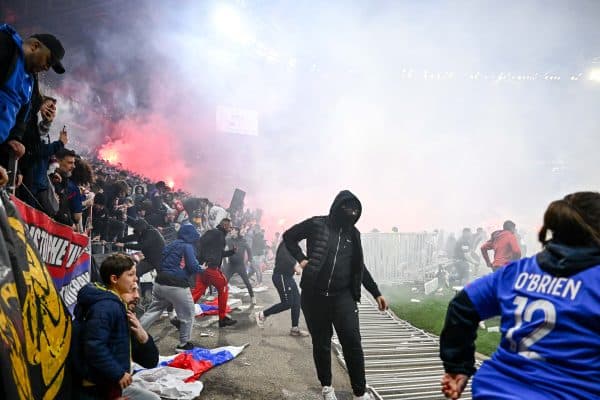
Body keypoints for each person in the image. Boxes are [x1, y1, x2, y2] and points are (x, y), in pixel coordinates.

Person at [439, 192, 600, 400]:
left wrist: (457, 366)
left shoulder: (516, 273)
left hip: (493, 391)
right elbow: (515, 251)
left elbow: (462, 306)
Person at [283, 190, 387, 400]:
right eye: (348, 208)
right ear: (338, 206)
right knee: (321, 342)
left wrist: (376, 293)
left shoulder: (353, 234)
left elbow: (359, 267)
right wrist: (301, 258)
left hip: (343, 297)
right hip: (314, 296)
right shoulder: (317, 224)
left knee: (352, 342)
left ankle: (359, 392)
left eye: (356, 210)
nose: (352, 212)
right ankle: (327, 387)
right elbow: (289, 237)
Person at [71, 254, 160, 400]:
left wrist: (143, 336)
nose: (137, 294)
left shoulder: (122, 313)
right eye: (131, 275)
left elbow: (150, 362)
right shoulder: (106, 307)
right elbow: (94, 346)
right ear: (114, 280)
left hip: (110, 384)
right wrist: (117, 373)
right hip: (97, 388)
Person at [139, 224, 203, 351]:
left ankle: (134, 335)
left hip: (159, 282)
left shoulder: (171, 244)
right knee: (188, 314)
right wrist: (201, 268)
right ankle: (184, 344)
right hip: (176, 284)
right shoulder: (187, 246)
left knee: (153, 310)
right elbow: (192, 266)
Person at [0, 24, 65, 146]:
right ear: (35, 46)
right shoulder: (5, 45)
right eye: (48, 61)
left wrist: (16, 138)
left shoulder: (31, 81)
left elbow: (22, 116)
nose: (46, 68)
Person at [255, 242, 308, 337]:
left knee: (297, 301)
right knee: (288, 303)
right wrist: (295, 266)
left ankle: (294, 329)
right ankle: (262, 314)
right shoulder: (285, 244)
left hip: (288, 277)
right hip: (281, 276)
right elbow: (285, 257)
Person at [192, 218, 237, 327]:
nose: (231, 230)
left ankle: (179, 316)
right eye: (230, 227)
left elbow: (219, 253)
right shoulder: (216, 233)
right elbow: (200, 243)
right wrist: (205, 260)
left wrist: (231, 252)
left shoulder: (218, 235)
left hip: (205, 267)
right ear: (225, 226)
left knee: (197, 291)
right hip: (210, 268)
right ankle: (222, 318)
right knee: (224, 287)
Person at [224, 226, 255, 304]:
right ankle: (222, 298)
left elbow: (249, 251)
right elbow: (221, 245)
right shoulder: (228, 240)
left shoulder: (243, 241)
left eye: (232, 230)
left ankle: (253, 297)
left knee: (247, 282)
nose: (231, 231)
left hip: (240, 265)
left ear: (237, 231)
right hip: (231, 265)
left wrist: (249, 260)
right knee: (224, 282)